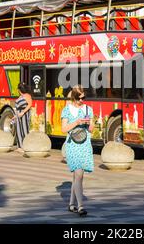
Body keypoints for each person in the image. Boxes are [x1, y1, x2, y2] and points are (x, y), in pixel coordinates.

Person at [61, 85, 94, 217]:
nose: (83, 100)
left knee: (77, 176)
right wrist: (77, 122)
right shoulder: (67, 110)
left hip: (85, 144)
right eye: (80, 98)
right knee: (79, 174)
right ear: (74, 98)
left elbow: (91, 129)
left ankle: (71, 204)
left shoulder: (88, 109)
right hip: (72, 145)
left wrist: (89, 124)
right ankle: (80, 206)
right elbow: (64, 129)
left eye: (84, 97)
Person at [13, 83, 32, 152]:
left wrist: (23, 112)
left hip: (24, 114)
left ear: (19, 90)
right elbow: (17, 107)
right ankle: (20, 147)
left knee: (24, 130)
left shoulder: (27, 95)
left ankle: (26, 146)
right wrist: (15, 116)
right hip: (19, 114)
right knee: (18, 130)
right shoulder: (21, 96)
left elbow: (30, 104)